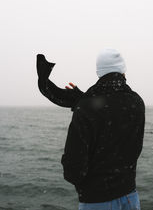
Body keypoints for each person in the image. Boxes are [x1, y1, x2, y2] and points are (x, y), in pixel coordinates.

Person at [36, 48, 145, 210]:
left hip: (96, 200)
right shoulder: (136, 102)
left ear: (99, 72)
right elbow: (114, 115)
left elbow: (73, 169)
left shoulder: (87, 106)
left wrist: (84, 102)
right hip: (130, 197)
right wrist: (84, 99)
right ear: (122, 71)